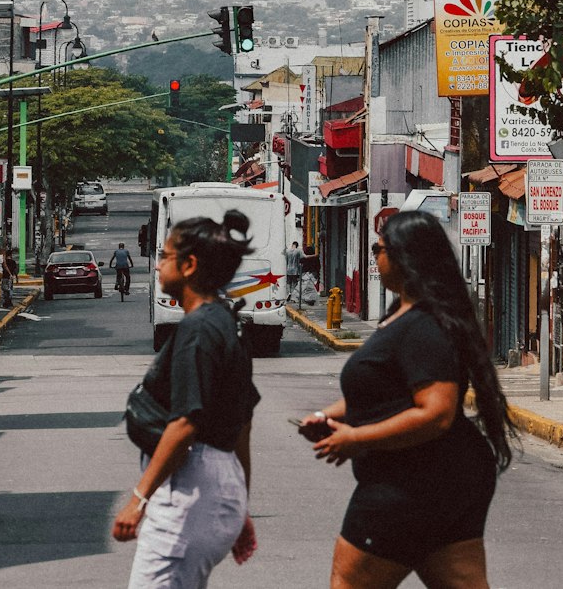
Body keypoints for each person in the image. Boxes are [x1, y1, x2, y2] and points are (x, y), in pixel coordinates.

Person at [296, 210, 516, 589]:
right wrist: (327, 417)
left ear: (402, 257)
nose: (374, 257)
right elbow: (379, 392)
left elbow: (437, 413)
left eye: (377, 248)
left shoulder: (425, 327)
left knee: (348, 583)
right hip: (440, 478)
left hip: (410, 483)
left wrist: (355, 439)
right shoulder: (404, 314)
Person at [113, 209, 259, 587]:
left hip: (190, 488)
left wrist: (138, 498)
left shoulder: (198, 329)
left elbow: (185, 423)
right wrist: (238, 502)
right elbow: (243, 423)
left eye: (164, 256)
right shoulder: (226, 322)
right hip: (218, 484)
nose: (158, 265)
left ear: (189, 264)